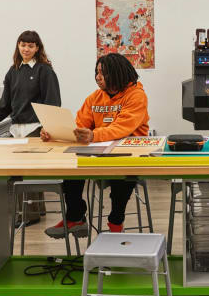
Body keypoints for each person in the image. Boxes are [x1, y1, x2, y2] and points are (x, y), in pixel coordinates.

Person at [41, 53, 149, 235]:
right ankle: (75, 217)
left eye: (103, 73)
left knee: (121, 179)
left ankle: (116, 222)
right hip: (100, 149)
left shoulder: (137, 96)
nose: (98, 77)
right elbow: (80, 126)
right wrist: (54, 133)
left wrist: (92, 135)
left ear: (117, 73)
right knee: (72, 168)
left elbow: (121, 128)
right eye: (97, 72)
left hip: (129, 153)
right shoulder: (94, 98)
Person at [0, 30, 61, 225]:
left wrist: (49, 128)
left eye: (31, 46)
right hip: (17, 129)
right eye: (23, 45)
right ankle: (37, 210)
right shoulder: (13, 71)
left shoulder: (44, 71)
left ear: (37, 48)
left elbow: (52, 103)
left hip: (35, 128)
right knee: (23, 172)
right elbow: (4, 104)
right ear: (18, 46)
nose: (26, 49)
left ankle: (28, 216)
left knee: (28, 172)